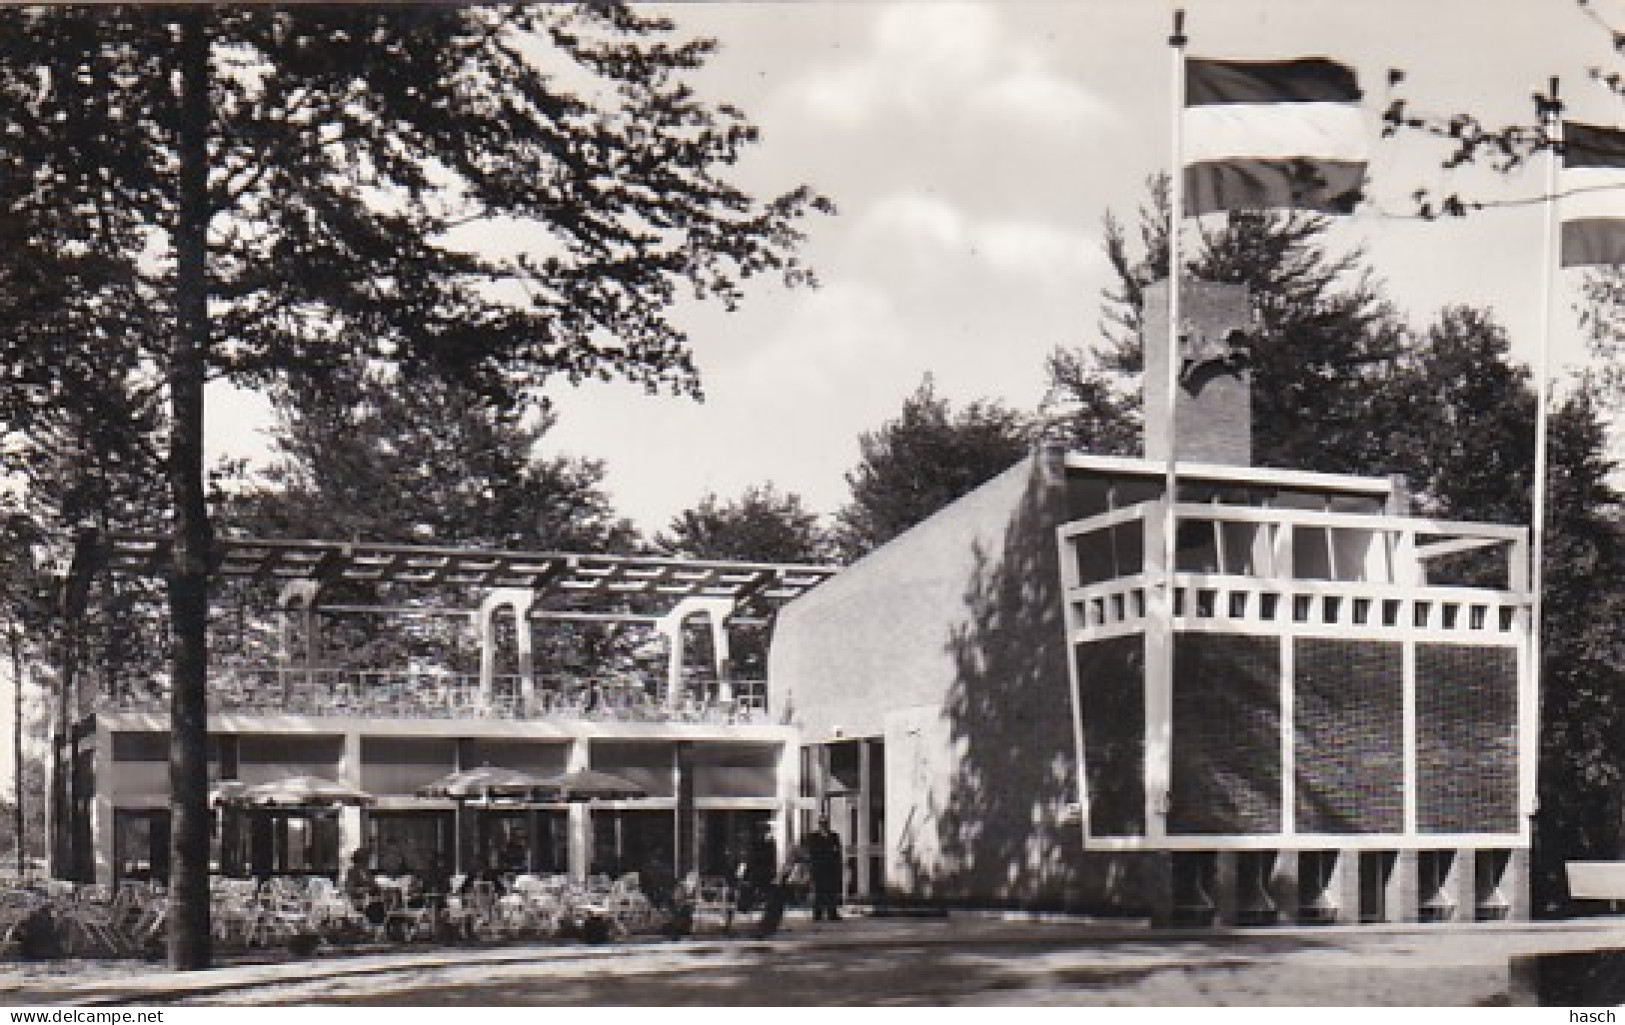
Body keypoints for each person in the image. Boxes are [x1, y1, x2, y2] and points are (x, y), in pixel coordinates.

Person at [807, 815, 843, 922]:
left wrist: (838, 864)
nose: (824, 825)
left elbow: (837, 850)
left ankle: (832, 913)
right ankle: (817, 914)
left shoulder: (834, 835)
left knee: (832, 891)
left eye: (825, 823)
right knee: (819, 892)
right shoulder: (813, 836)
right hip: (819, 868)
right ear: (819, 824)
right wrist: (828, 852)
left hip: (831, 868)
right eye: (822, 823)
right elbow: (813, 851)